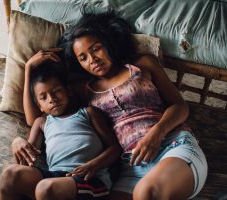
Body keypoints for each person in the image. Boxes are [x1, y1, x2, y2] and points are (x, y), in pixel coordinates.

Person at [57, 10, 208, 200]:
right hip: (132, 167)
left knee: (145, 193)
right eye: (83, 57)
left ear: (108, 43)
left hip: (174, 146)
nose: (92, 59)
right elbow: (46, 107)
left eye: (96, 48)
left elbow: (180, 106)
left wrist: (156, 134)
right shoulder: (84, 90)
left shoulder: (142, 65)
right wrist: (30, 68)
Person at [0, 60, 121, 200]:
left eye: (56, 91)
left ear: (68, 91)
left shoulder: (88, 113)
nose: (52, 99)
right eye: (43, 98)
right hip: (55, 177)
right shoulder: (41, 122)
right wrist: (18, 141)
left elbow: (114, 148)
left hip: (89, 179)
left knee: (45, 189)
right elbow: (27, 159)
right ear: (39, 106)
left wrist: (93, 165)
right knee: (10, 175)